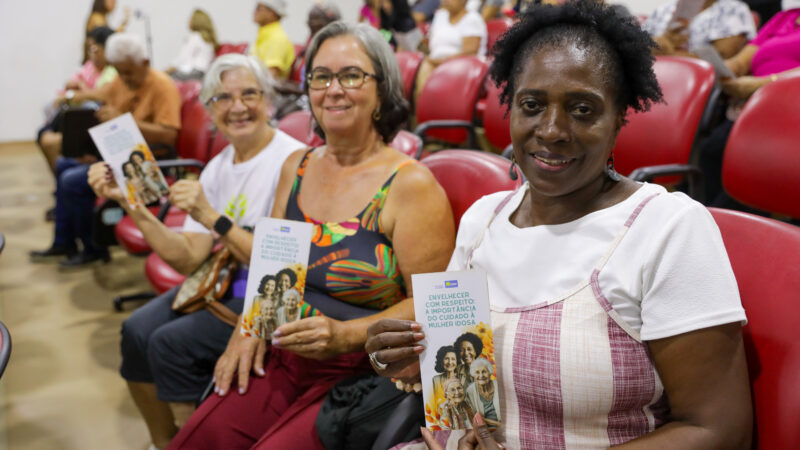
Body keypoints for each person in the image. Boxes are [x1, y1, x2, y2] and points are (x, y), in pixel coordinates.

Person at [367, 2, 752, 448]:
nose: (551, 130)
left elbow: (718, 431)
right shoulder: (482, 219)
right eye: (532, 105)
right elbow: (457, 384)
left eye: (583, 110)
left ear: (619, 119)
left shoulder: (667, 228)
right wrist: (407, 360)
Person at [167, 21, 455, 449]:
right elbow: (273, 266)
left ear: (383, 89)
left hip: (363, 370)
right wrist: (247, 330)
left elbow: (435, 305)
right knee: (200, 440)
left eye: (351, 75)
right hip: (286, 352)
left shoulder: (410, 185)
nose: (333, 89)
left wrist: (345, 335)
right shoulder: (296, 166)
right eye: (321, 76)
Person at [87, 53, 306, 449]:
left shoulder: (292, 161)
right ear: (209, 110)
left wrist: (211, 216)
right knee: (136, 331)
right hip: (220, 281)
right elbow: (188, 257)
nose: (237, 107)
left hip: (267, 295)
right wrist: (131, 202)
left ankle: (195, 439)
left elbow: (282, 272)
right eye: (223, 98)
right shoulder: (217, 166)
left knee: (169, 344)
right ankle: (165, 441)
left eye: (249, 95)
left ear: (269, 101)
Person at [30, 32, 181, 268]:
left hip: (147, 165)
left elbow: (169, 136)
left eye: (128, 72)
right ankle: (64, 241)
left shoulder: (162, 86)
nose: (124, 78)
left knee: (72, 180)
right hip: (118, 156)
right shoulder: (121, 81)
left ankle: (93, 248)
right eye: (119, 72)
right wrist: (69, 96)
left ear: (145, 63)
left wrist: (125, 119)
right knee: (64, 164)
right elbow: (95, 95)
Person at [696, 1, 800, 207]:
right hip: (753, 109)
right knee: (710, 151)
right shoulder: (785, 17)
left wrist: (764, 84)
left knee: (748, 174)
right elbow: (742, 62)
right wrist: (722, 71)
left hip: (789, 114)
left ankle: (720, 219)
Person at [39, 26, 118, 174]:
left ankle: (62, 183)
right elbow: (73, 84)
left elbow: (99, 95)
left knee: (50, 143)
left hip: (90, 120)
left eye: (95, 49)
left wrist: (75, 93)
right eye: (89, 49)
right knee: (44, 135)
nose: (91, 54)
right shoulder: (90, 66)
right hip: (78, 115)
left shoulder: (113, 72)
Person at [414, 0, 487, 103]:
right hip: (434, 63)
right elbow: (430, 44)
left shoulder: (473, 19)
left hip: (462, 69)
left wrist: (441, 62)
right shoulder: (440, 16)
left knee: (426, 69)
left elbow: (470, 53)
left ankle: (424, 110)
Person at [643, 0, 756, 58]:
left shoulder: (733, 10)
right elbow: (635, 49)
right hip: (651, 81)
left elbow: (723, 62)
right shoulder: (663, 10)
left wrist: (668, 54)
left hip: (705, 90)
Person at [166, 9, 218, 81]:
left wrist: (166, 71)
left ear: (196, 22)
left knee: (164, 80)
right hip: (204, 74)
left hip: (193, 73)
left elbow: (183, 58)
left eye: (190, 19)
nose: (188, 21)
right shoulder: (209, 40)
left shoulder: (195, 37)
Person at [251, 0, 296, 79]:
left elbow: (271, 78)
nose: (254, 12)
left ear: (272, 13)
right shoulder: (265, 35)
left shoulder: (276, 38)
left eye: (258, 8)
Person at [464, 357, 500, 426]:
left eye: (484, 371)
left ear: (490, 373)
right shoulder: (470, 391)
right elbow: (473, 418)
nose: (481, 376)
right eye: (477, 372)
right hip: (482, 428)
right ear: (473, 375)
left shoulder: (498, 386)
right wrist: (497, 424)